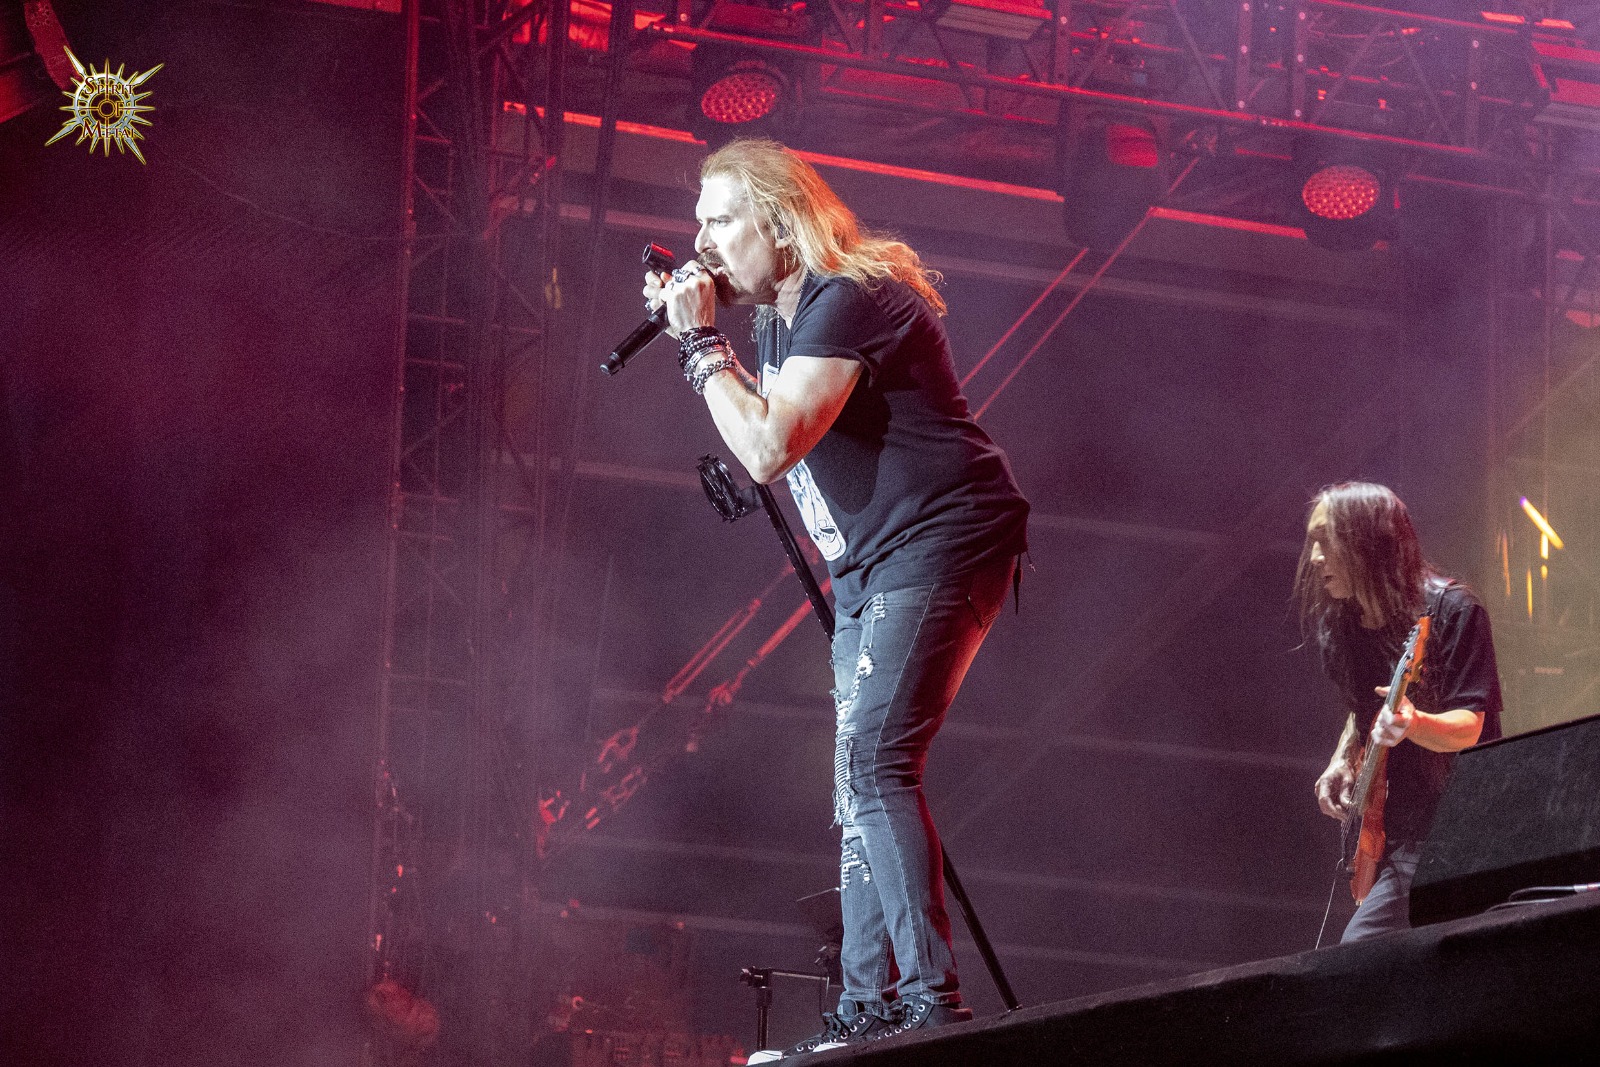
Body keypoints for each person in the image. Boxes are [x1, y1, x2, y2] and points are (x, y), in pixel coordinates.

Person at [644, 140, 1029, 1059]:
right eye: (698, 223)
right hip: (869, 568)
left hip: (941, 540)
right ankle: (867, 1005)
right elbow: (766, 443)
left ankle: (930, 1002)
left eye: (719, 219)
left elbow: (769, 448)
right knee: (853, 782)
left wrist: (699, 343)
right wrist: (712, 351)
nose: (700, 241)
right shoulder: (780, 323)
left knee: (873, 761)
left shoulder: (847, 296)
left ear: (780, 221)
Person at [1296, 482, 1502, 942]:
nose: (1314, 558)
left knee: (1358, 958)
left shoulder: (1454, 610)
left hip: (1456, 833)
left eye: (1325, 541)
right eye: (1312, 543)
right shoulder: (1343, 624)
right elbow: (1364, 707)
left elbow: (1470, 727)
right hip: (1395, 835)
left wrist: (1414, 723)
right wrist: (1341, 759)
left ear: (1366, 541)